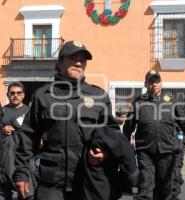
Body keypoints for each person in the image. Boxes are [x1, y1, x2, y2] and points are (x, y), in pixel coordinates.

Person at [13, 41, 138, 200]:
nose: (79, 63)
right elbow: (28, 137)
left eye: (83, 60)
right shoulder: (42, 95)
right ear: (60, 63)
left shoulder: (98, 96)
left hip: (88, 180)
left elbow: (111, 133)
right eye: (73, 58)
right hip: (51, 182)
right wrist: (22, 173)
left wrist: (104, 153)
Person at [123, 70, 185, 200]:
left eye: (157, 81)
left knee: (166, 188)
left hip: (167, 150)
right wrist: (125, 142)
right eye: (151, 81)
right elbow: (128, 126)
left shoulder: (171, 100)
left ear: (161, 83)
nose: (154, 84)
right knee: (145, 188)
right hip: (145, 151)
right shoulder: (138, 101)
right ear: (145, 84)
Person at [0, 82, 33, 200]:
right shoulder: (2, 111)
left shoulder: (29, 112)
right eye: (12, 93)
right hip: (3, 161)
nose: (15, 96)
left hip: (22, 162)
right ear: (7, 94)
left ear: (23, 95)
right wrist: (2, 129)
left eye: (19, 93)